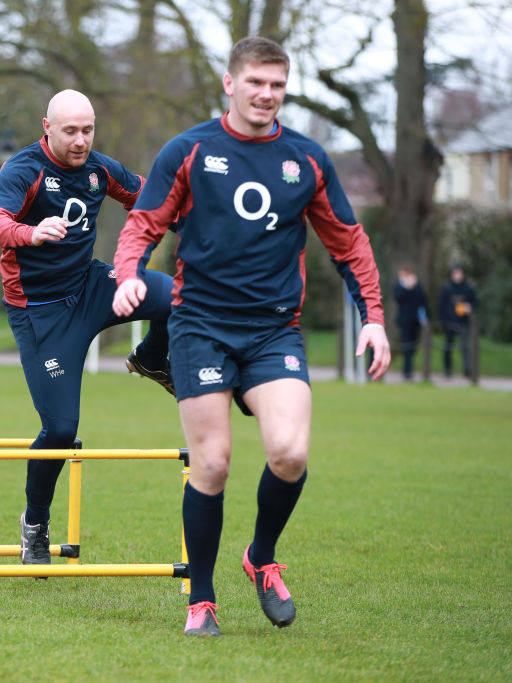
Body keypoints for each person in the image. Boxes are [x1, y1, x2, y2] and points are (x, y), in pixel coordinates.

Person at [112, 37, 391, 637]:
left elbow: (348, 241)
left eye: (277, 86)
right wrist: (129, 274)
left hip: (273, 331)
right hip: (201, 327)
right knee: (212, 463)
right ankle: (202, 601)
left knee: (290, 453)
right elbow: (144, 222)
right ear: (230, 84)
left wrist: (373, 316)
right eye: (256, 83)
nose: (267, 95)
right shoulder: (189, 150)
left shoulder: (307, 158)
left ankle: (261, 557)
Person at [0, 89, 175, 566]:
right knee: (61, 429)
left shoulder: (98, 169)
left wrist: (198, 219)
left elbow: (150, 199)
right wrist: (30, 232)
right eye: (70, 131)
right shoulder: (24, 169)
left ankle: (150, 359)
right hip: (40, 312)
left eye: (88, 130)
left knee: (177, 297)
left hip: (90, 286)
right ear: (46, 127)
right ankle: (34, 525)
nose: (81, 140)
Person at [438, 264, 477, 378]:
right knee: (448, 348)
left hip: (463, 323)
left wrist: (470, 307)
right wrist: (444, 321)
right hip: (449, 323)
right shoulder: (446, 288)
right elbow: (441, 306)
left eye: (460, 273)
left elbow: (474, 302)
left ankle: (467, 370)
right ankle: (447, 370)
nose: (458, 275)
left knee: (465, 347)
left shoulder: (468, 288)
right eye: (455, 273)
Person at [393, 266, 429, 380]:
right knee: (406, 345)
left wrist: (425, 318)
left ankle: (409, 369)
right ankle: (407, 371)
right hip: (404, 321)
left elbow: (423, 301)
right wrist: (407, 287)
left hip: (416, 321)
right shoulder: (399, 287)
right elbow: (398, 298)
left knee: (413, 346)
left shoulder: (417, 286)